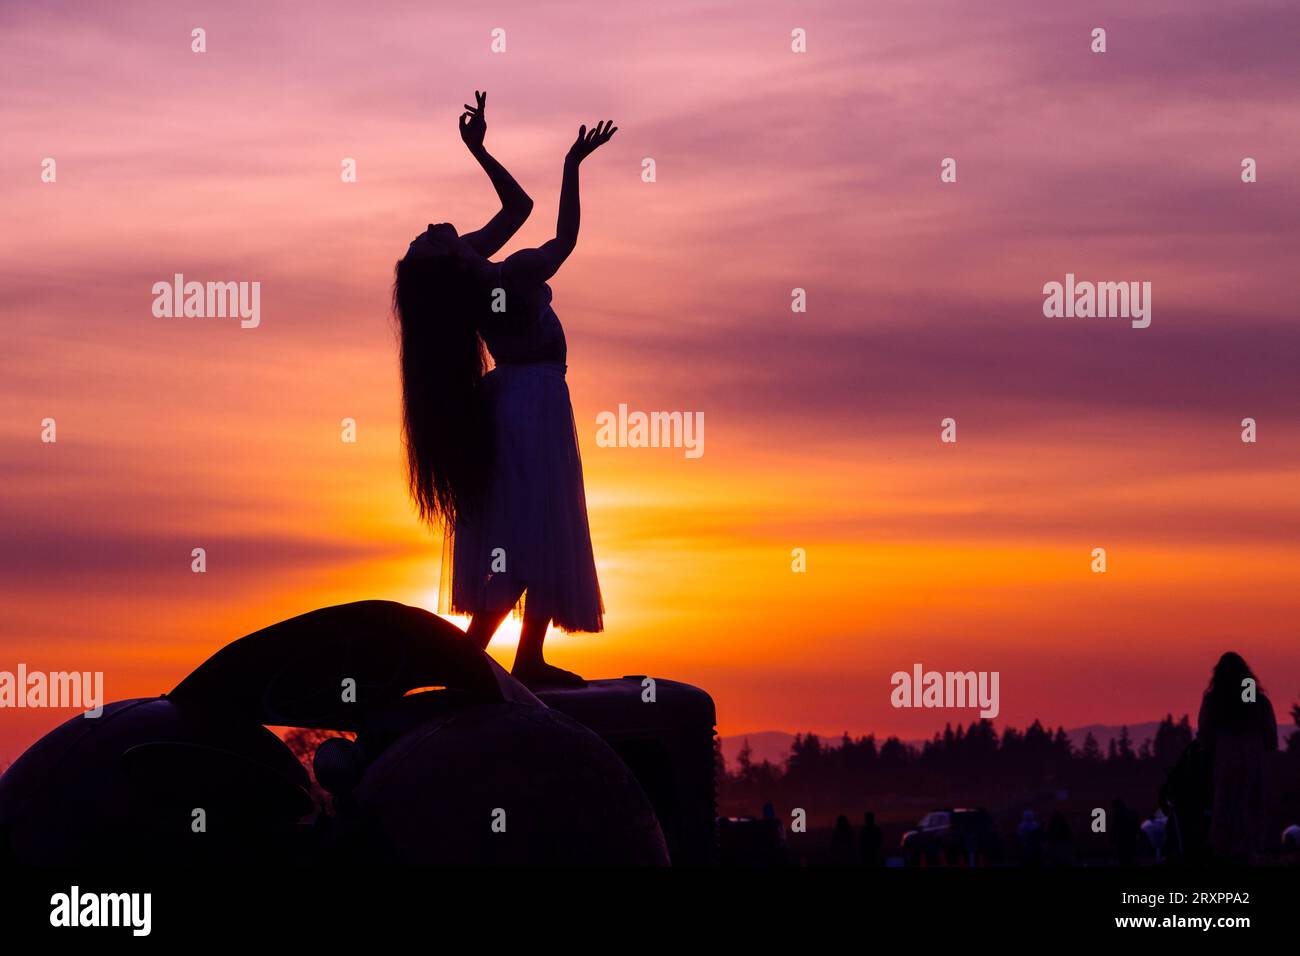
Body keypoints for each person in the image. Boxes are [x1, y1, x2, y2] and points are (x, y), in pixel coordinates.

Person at [394, 91, 617, 685]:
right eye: (427, 241)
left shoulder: (471, 275)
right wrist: (572, 167)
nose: (427, 229)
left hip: (522, 398)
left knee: (537, 527)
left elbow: (518, 204)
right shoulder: (507, 274)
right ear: (450, 259)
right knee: (539, 527)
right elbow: (561, 240)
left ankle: (513, 659)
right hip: (530, 402)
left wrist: (480, 149)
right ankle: (489, 658)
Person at [1196, 651, 1278, 861]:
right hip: (1252, 758)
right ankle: (1245, 850)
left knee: (1225, 805)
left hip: (1226, 758)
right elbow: (1266, 730)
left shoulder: (1215, 700)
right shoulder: (1252, 696)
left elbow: (1205, 734)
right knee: (1250, 805)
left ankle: (1224, 850)